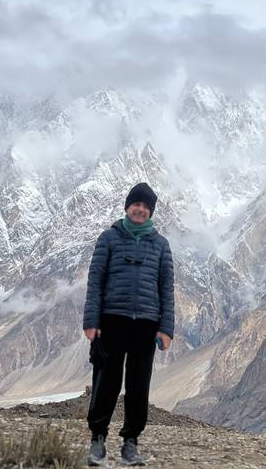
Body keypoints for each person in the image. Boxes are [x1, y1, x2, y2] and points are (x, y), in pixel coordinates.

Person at [83, 182, 175, 466]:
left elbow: (166, 289)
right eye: (137, 204)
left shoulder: (161, 245)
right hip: (112, 321)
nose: (141, 210)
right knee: (106, 381)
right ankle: (97, 440)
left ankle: (130, 443)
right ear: (127, 207)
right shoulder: (109, 238)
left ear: (151, 212)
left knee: (138, 386)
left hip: (146, 324)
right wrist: (91, 320)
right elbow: (95, 281)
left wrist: (166, 328)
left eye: (146, 207)